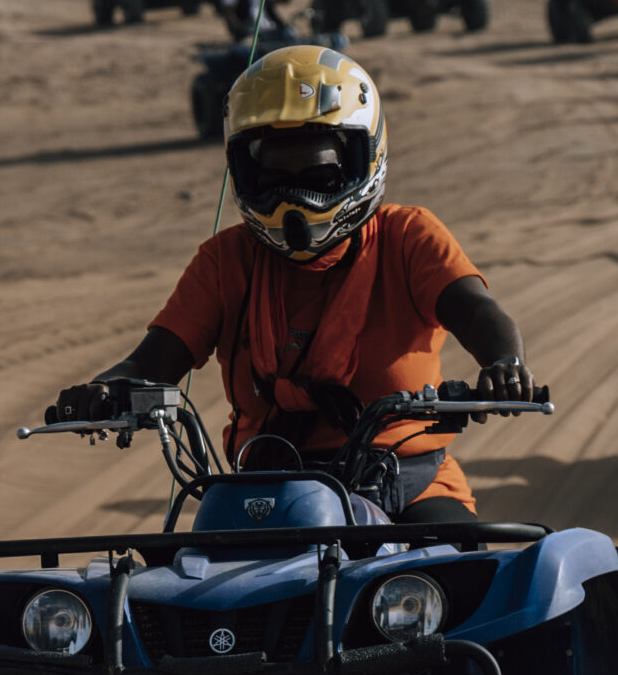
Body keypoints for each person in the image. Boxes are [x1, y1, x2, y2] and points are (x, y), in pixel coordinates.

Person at [50, 45, 532, 522]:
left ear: (366, 156)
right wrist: (106, 388)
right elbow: (152, 360)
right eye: (272, 177)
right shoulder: (225, 260)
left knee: (460, 581)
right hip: (259, 494)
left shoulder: (408, 236)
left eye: (319, 174)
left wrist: (503, 363)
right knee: (179, 589)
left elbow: (476, 311)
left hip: (405, 488)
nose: (292, 200)